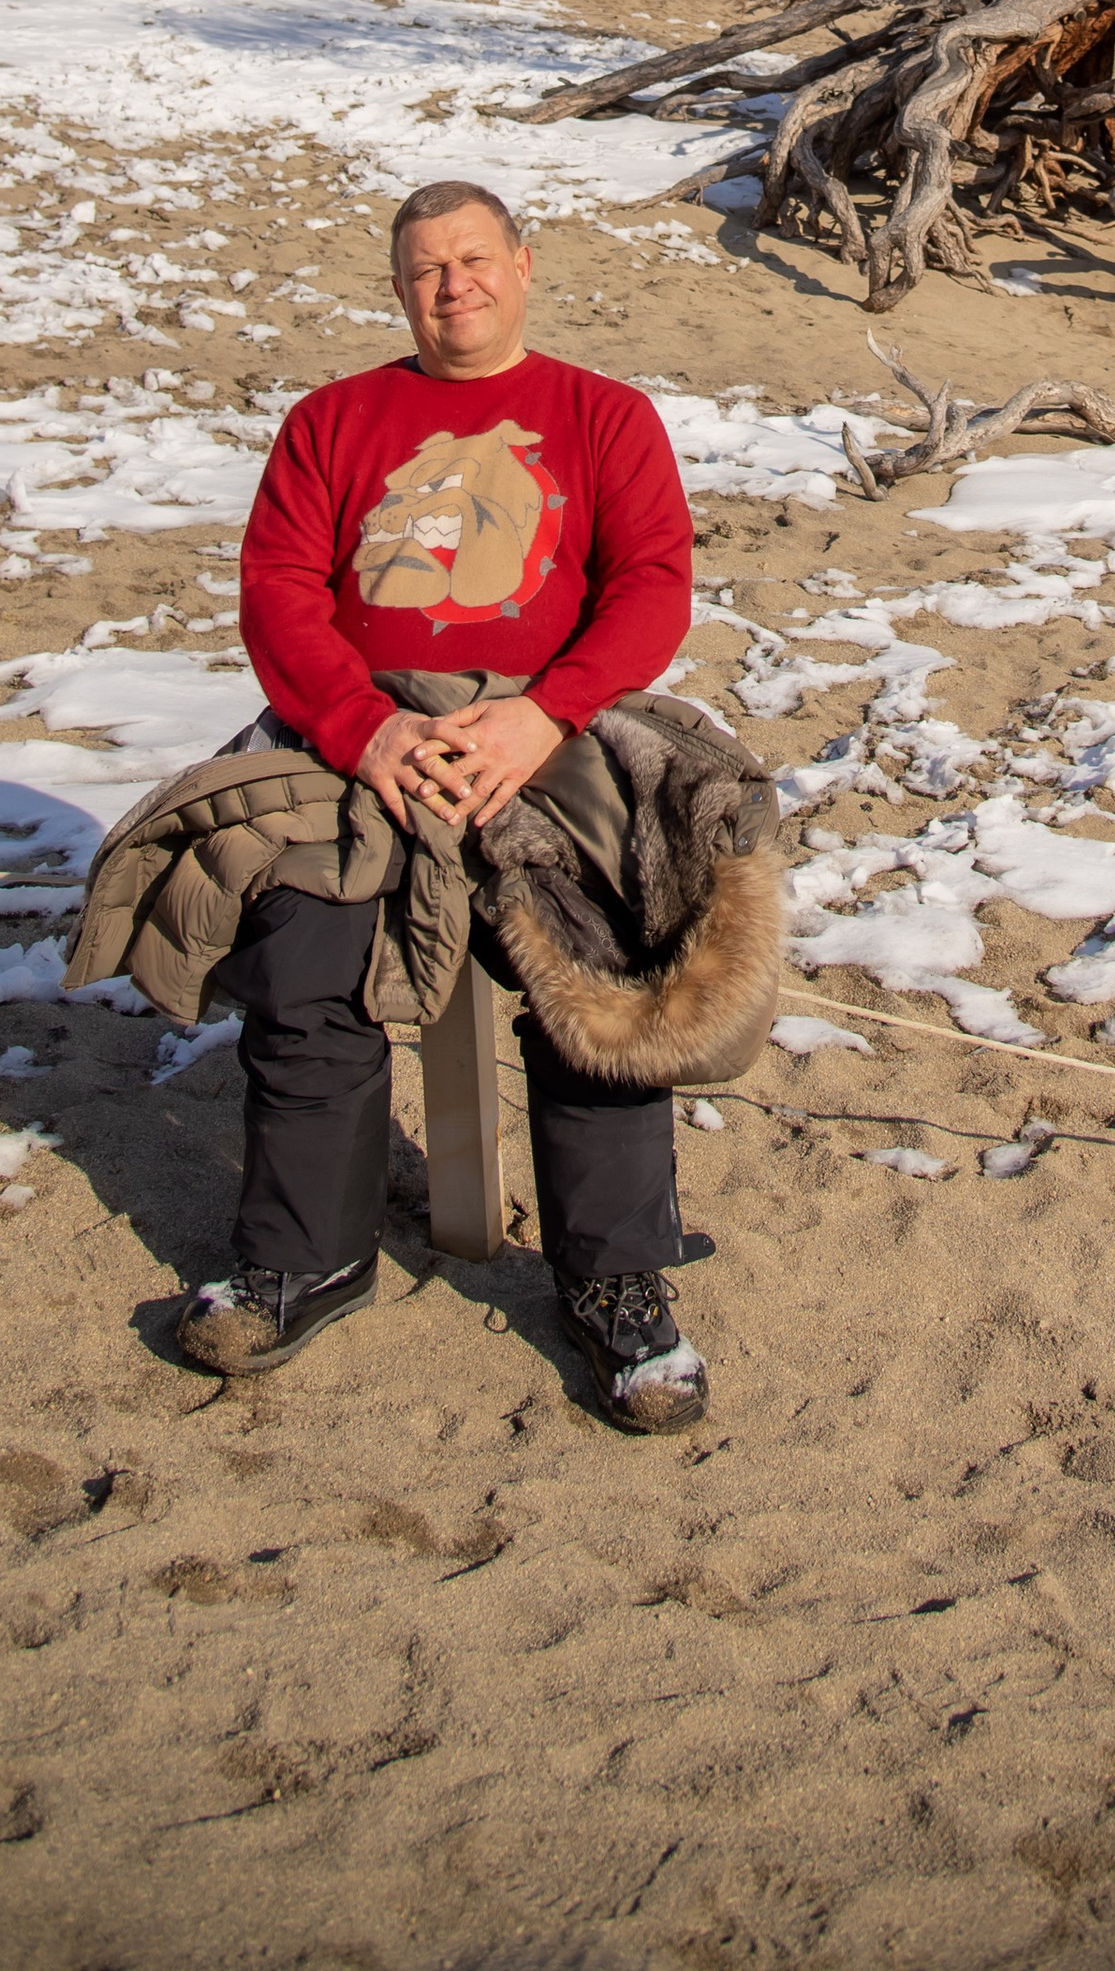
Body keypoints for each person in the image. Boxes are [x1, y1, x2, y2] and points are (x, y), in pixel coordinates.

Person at [178, 179, 707, 1429]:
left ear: (523, 266)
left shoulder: (603, 415)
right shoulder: (332, 420)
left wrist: (542, 713)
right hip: (366, 729)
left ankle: (616, 1280)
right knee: (305, 946)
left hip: (546, 726)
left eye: (474, 259)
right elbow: (279, 596)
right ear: (398, 286)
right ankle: (310, 1253)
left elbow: (652, 587)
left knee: (606, 957)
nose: (451, 284)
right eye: (426, 267)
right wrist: (366, 731)